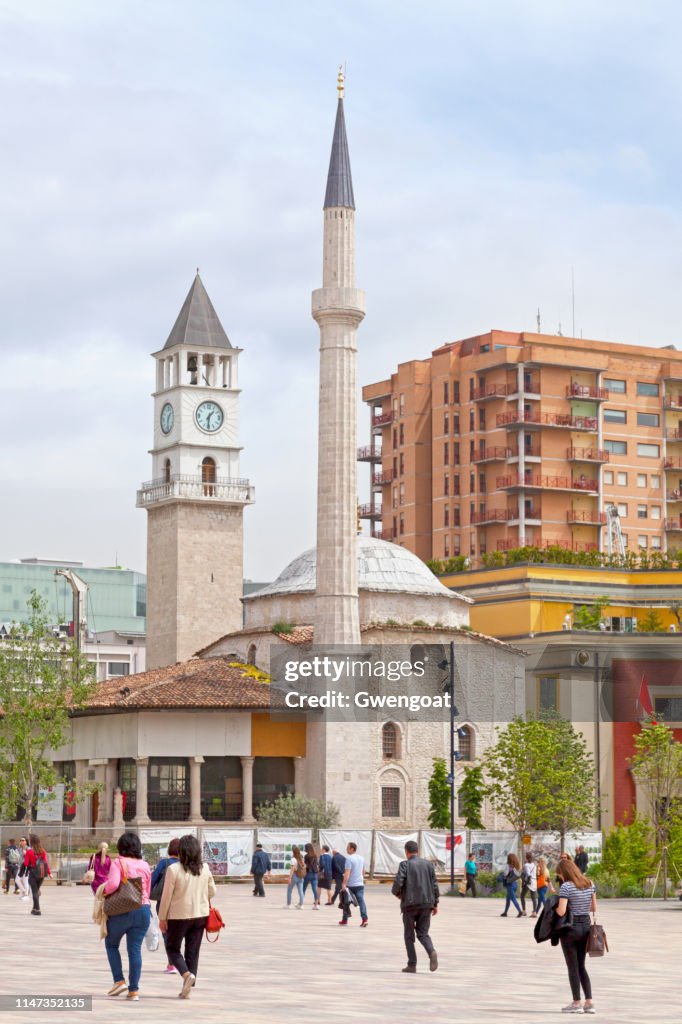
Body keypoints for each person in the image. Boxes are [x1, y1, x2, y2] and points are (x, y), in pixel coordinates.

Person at [158, 834, 216, 1000]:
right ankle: (189, 983)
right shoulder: (204, 868)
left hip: (179, 915)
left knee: (173, 948)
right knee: (192, 950)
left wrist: (162, 917)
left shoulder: (173, 869)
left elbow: (166, 896)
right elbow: (213, 891)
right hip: (200, 914)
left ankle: (185, 975)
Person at [102, 831, 152, 1001]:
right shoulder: (145, 865)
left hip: (123, 910)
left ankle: (119, 980)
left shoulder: (118, 862)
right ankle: (134, 991)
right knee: (135, 950)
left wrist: (104, 891)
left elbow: (113, 884)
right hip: (143, 909)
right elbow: (148, 890)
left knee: (111, 944)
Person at [555, 858, 597, 1014]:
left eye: (559, 874)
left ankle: (576, 1003)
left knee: (572, 967)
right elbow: (593, 907)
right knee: (581, 966)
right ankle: (589, 1002)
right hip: (586, 927)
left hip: (570, 930)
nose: (559, 877)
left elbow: (561, 911)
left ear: (564, 872)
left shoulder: (566, 887)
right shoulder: (589, 883)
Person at [391, 840, 439, 974]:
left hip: (410, 905)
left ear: (406, 852)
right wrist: (435, 903)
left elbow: (398, 882)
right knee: (423, 933)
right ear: (417, 851)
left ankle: (412, 964)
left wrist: (397, 894)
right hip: (426, 904)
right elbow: (434, 884)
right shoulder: (429, 865)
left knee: (408, 935)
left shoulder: (405, 865)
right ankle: (431, 952)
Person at [150, 838, 180, 974]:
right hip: (180, 903)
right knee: (178, 933)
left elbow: (152, 879)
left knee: (166, 932)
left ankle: (172, 964)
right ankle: (180, 962)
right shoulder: (185, 864)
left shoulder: (164, 863)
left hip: (163, 902)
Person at [341, 842, 368, 927]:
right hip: (360, 884)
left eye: (348, 847)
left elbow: (347, 873)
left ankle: (345, 920)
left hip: (350, 885)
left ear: (352, 849)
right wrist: (360, 879)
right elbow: (363, 872)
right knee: (361, 902)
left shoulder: (349, 859)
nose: (346, 849)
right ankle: (364, 919)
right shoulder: (362, 858)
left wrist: (344, 884)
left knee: (345, 902)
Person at [24, 834, 51, 916]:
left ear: (31, 842)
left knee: (35, 892)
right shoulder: (43, 851)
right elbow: (46, 863)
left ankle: (38, 909)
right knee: (36, 892)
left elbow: (26, 863)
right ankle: (34, 908)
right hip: (41, 875)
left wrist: (25, 855)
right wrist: (49, 873)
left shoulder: (29, 852)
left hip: (33, 874)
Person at [521, 852, 538, 917]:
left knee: (522, 895)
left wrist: (524, 881)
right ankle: (534, 912)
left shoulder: (526, 865)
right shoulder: (534, 865)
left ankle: (524, 911)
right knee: (534, 897)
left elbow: (527, 874)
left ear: (526, 857)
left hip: (528, 881)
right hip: (534, 881)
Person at [303, 842, 320, 908]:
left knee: (303, 889)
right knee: (314, 889)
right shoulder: (315, 855)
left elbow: (305, 865)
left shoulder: (306, 856)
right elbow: (317, 865)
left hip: (308, 874)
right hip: (315, 874)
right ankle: (316, 905)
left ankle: (301, 903)